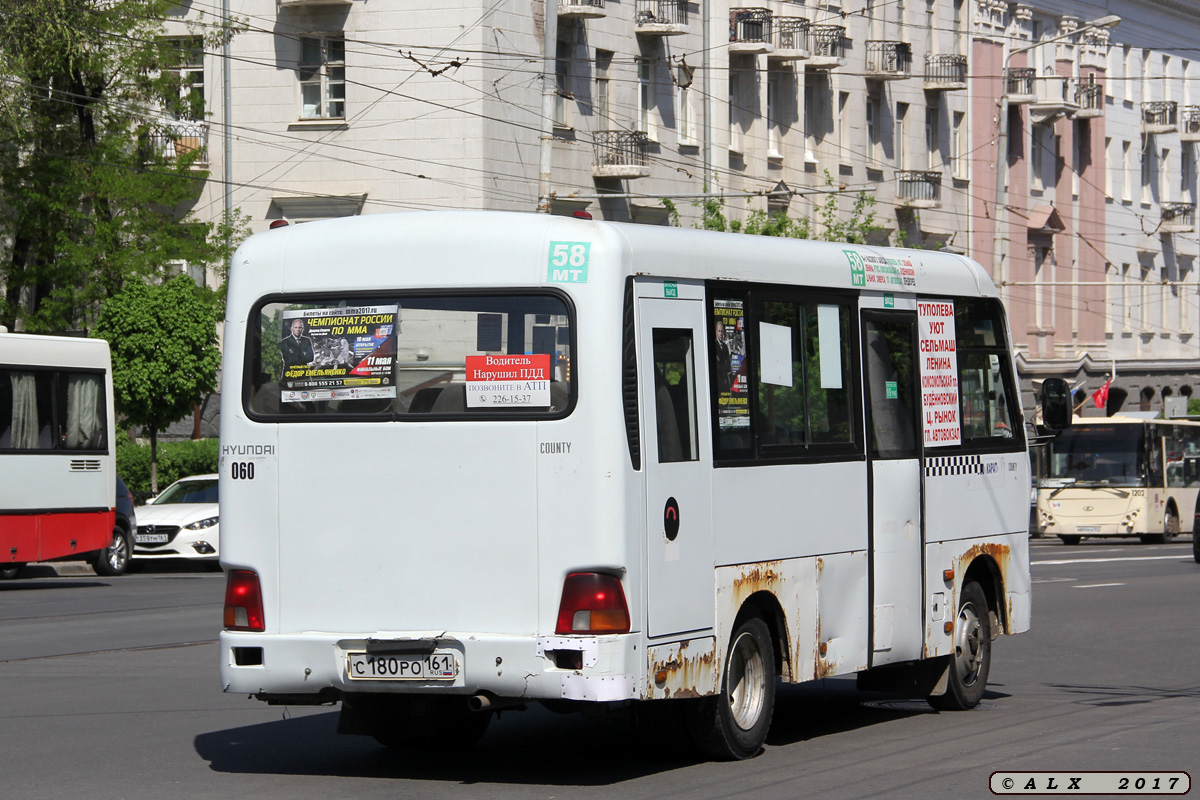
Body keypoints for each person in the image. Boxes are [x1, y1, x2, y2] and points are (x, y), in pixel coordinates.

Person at [713, 318, 733, 394]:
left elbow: (728, 361)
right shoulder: (713, 345)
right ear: (716, 332)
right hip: (717, 379)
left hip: (725, 378)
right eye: (719, 331)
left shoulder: (725, 346)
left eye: (722, 331)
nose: (720, 333)